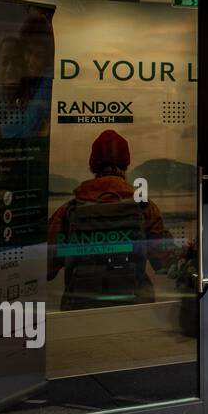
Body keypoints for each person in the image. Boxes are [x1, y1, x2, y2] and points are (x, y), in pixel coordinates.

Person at [47, 130, 175, 311]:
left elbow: (46, 268)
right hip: (135, 309)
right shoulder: (145, 208)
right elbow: (165, 263)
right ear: (126, 164)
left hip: (80, 312)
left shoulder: (70, 210)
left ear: (93, 166)